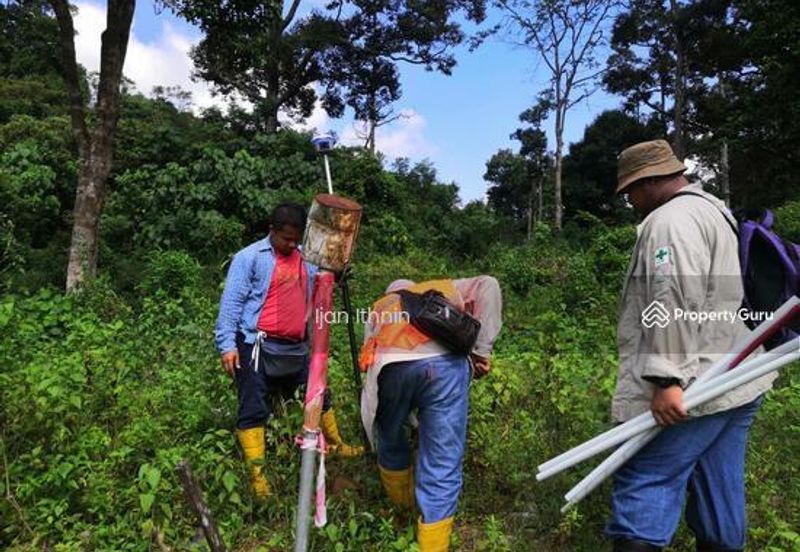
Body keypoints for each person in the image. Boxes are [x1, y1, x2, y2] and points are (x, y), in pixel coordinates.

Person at [605, 140, 776, 552]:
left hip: (694, 383)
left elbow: (672, 298)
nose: (630, 201)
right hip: (734, 378)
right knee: (719, 494)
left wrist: (667, 378)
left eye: (631, 191)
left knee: (644, 478)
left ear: (648, 181)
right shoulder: (713, 211)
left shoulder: (670, 221)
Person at [215, 203, 363, 500]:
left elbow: (326, 279)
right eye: (286, 239)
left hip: (296, 347)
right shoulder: (249, 258)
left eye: (296, 240)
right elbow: (231, 304)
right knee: (253, 406)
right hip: (255, 344)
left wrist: (340, 268)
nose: (291, 244)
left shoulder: (306, 260)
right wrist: (227, 345)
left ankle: (335, 443)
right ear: (272, 231)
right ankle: (258, 479)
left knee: (318, 393)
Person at [359, 277, 502, 551]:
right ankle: (433, 544)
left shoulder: (381, 305)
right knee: (442, 457)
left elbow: (367, 361)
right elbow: (489, 285)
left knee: (390, 435)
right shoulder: (445, 288)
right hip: (445, 365)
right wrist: (481, 351)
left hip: (390, 366)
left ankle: (402, 512)